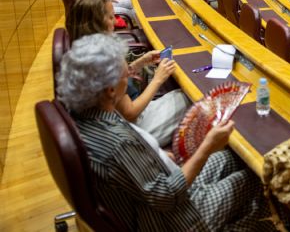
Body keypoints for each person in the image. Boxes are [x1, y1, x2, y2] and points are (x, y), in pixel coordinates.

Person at [56, 33, 274, 231]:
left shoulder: (85, 114)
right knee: (255, 176)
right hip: (174, 219)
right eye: (125, 74)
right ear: (111, 90)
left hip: (159, 188)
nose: (129, 76)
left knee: (230, 159)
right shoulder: (117, 143)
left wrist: (157, 158)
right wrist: (207, 146)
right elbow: (167, 196)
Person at [65, 0, 190, 145]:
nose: (115, 22)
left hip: (120, 121)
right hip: (132, 129)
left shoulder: (82, 53)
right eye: (111, 17)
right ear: (96, 23)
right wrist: (158, 79)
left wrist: (139, 63)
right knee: (189, 99)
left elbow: (116, 80)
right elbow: (130, 113)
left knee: (179, 94)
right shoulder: (104, 58)